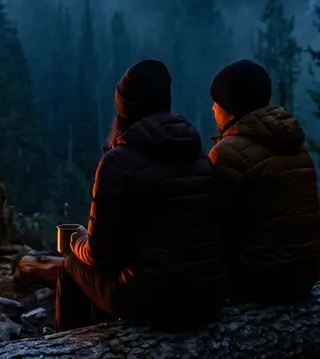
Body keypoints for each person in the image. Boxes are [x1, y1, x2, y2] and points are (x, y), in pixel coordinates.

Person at [56, 59, 227, 330]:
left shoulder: (117, 162)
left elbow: (99, 254)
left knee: (70, 266)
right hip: (207, 294)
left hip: (153, 299)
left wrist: (77, 239)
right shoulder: (198, 154)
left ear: (124, 109)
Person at [207, 59, 320, 303]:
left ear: (231, 108)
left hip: (260, 279)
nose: (212, 108)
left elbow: (217, 228)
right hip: (306, 273)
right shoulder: (296, 145)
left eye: (216, 102)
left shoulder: (228, 152)